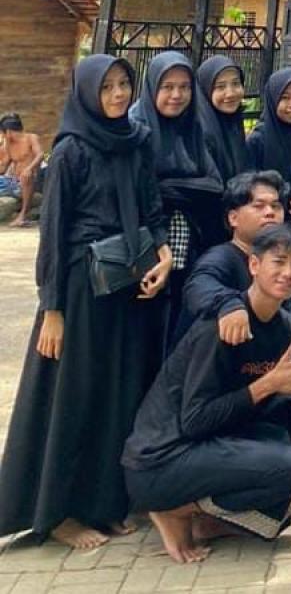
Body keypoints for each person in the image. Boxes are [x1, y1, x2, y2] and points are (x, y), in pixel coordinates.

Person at [122, 223, 291, 564]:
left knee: (286, 445)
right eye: (278, 261)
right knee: (287, 466)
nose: (288, 273)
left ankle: (206, 518)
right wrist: (267, 384)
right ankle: (174, 510)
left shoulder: (288, 327)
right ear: (254, 265)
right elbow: (194, 421)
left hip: (206, 445)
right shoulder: (219, 329)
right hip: (159, 462)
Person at [0, 56, 172, 550]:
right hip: (77, 290)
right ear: (87, 92)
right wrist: (52, 310)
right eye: (108, 87)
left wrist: (162, 255)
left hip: (127, 282)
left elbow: (151, 205)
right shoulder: (71, 150)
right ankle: (58, 513)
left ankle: (103, 503)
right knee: (70, 398)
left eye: (124, 85)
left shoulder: (136, 143)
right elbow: (52, 234)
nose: (118, 95)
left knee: (115, 394)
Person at [183, 171, 291, 366]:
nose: (270, 212)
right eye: (259, 206)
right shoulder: (221, 258)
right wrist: (229, 304)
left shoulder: (274, 269)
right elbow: (197, 286)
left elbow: (284, 332)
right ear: (233, 218)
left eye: (276, 206)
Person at [131, 51, 224, 346]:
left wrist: (166, 186)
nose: (177, 95)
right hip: (145, 249)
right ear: (152, 88)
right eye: (167, 87)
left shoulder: (193, 129)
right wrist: (186, 189)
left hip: (188, 246)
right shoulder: (135, 131)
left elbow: (214, 186)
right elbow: (138, 192)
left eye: (184, 87)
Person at [247, 69, 291, 221]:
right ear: (273, 100)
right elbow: (249, 187)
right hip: (268, 225)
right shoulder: (257, 140)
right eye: (285, 98)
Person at [195, 58, 250, 184]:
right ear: (205, 90)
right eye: (220, 87)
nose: (230, 93)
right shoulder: (200, 133)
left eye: (236, 84)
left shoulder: (233, 122)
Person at [0, 113, 43, 225]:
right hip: (14, 182)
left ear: (8, 132)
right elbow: (4, 167)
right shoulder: (9, 145)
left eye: (2, 133)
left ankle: (22, 216)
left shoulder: (31, 138)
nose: (2, 136)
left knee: (26, 176)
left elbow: (40, 155)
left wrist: (29, 168)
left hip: (30, 180)